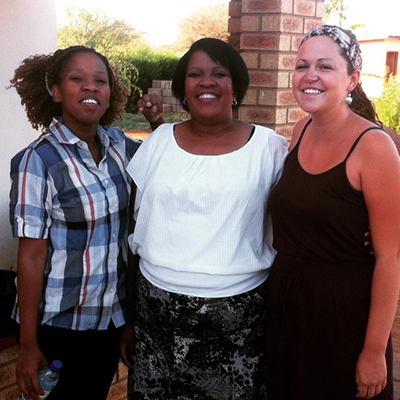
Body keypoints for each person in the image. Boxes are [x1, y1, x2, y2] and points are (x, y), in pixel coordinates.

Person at [119, 38, 288, 400]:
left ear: (237, 86)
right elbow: (136, 231)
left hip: (237, 321)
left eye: (219, 73)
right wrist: (131, 319)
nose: (206, 81)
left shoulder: (270, 149)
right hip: (156, 317)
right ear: (183, 88)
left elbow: (301, 213)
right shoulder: (158, 142)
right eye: (195, 74)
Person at [265, 25, 400, 400]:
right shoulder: (299, 131)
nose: (310, 76)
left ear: (352, 79)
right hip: (287, 306)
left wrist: (373, 352)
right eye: (302, 65)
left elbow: (390, 257)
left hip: (344, 315)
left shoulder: (373, 146)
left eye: (325, 66)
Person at [9, 45, 141, 400]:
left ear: (110, 93)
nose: (90, 87)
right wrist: (27, 344)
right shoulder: (37, 161)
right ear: (55, 91)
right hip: (58, 328)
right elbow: (32, 256)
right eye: (77, 79)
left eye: (100, 80)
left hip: (108, 322)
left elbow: (167, 161)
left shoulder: (119, 147)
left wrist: (126, 319)